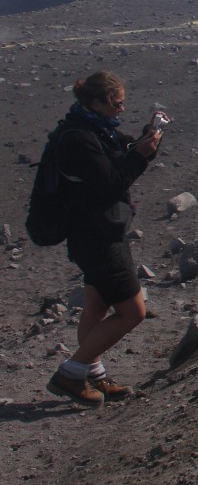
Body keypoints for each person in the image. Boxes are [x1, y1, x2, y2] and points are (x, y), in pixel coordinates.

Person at [45, 71, 162, 406]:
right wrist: (140, 156)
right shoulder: (78, 139)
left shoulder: (95, 129)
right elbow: (111, 181)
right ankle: (71, 372)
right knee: (133, 311)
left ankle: (93, 374)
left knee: (96, 305)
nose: (121, 110)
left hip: (100, 233)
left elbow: (120, 152)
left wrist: (145, 143)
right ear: (96, 102)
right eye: (117, 103)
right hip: (97, 238)